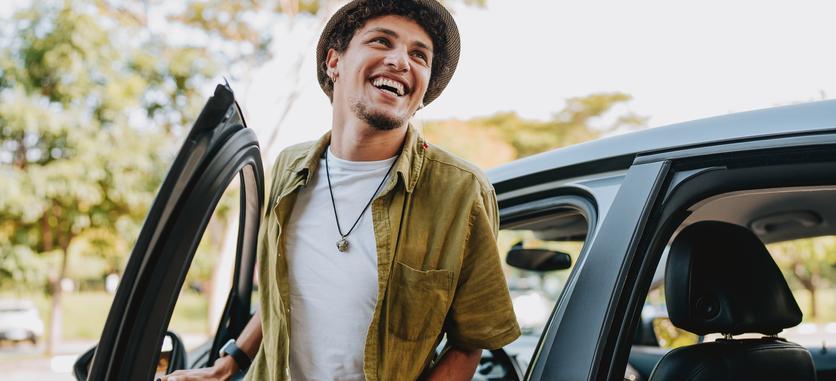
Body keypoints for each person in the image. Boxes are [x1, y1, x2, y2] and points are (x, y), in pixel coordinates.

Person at [160, 1, 519, 380]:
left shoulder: (460, 191)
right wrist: (226, 366)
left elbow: (469, 341)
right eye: (382, 41)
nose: (401, 61)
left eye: (419, 55)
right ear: (334, 62)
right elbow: (281, 295)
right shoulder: (288, 168)